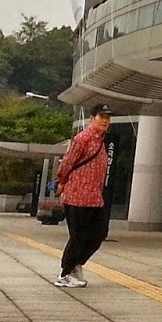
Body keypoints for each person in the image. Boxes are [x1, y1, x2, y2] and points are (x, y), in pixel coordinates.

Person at [52, 103, 112, 288]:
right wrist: (61, 180)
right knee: (78, 236)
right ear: (92, 119)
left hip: (95, 197)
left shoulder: (101, 140)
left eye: (107, 118)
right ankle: (64, 274)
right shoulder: (83, 138)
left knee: (99, 234)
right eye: (101, 117)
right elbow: (68, 162)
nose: (105, 121)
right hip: (77, 195)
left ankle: (76, 264)